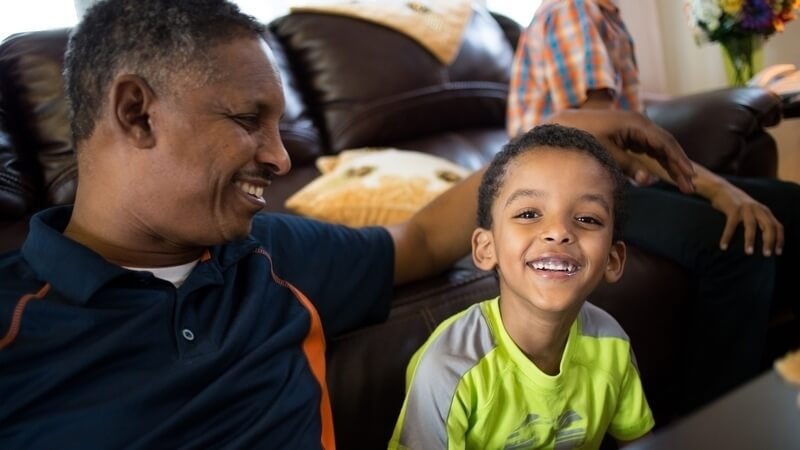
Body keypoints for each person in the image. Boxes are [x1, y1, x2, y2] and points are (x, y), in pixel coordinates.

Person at [0, 0, 695, 448]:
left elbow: (418, 241)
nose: (278, 156)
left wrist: (556, 135)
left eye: (280, 126)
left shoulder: (272, 253)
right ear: (135, 113)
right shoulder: (15, 326)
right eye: (248, 121)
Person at [507, 0, 800, 412]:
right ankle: (718, 423)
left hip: (614, 179)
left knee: (792, 206)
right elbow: (603, 140)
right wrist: (716, 189)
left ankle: (778, 384)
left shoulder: (602, 14)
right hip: (568, 194)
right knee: (732, 239)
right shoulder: (571, 11)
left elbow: (628, 135)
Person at [389, 124, 654, 450]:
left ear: (613, 260)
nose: (558, 232)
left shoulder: (611, 343)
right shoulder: (448, 369)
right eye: (529, 213)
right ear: (486, 248)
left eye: (587, 219)